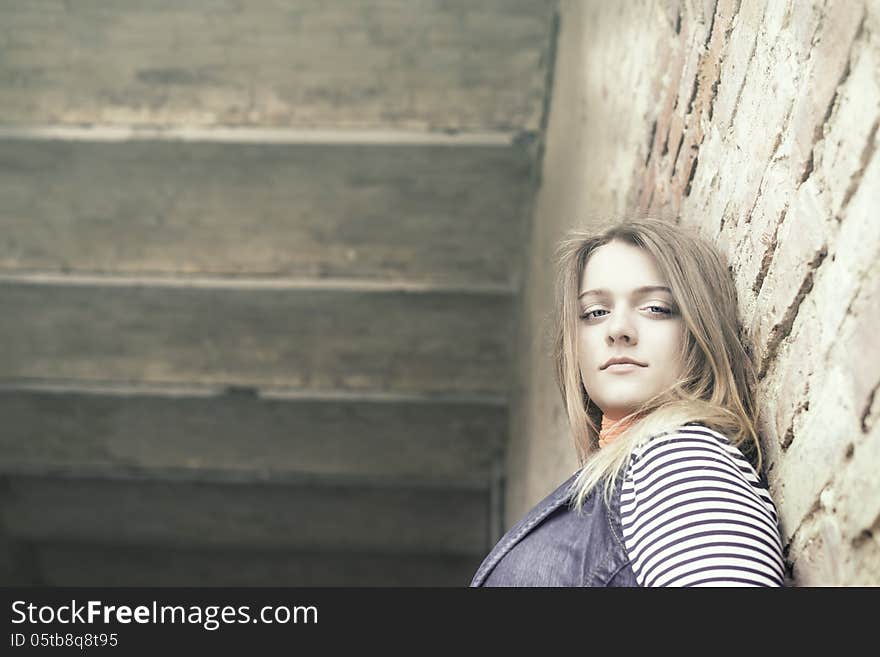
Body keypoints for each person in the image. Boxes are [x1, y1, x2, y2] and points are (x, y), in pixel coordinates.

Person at [470, 218, 786, 587]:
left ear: (699, 333)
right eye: (595, 313)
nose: (617, 329)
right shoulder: (619, 482)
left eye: (655, 308)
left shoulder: (678, 459)